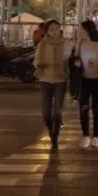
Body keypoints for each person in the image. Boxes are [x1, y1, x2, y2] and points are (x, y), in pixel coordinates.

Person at [73, 20, 98, 149]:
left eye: (81, 29)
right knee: (83, 108)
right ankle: (85, 135)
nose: (79, 31)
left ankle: (96, 136)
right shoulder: (79, 43)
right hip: (83, 80)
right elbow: (74, 58)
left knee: (96, 108)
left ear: (87, 29)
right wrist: (76, 62)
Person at [33, 19, 72, 150]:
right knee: (46, 113)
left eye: (56, 28)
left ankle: (55, 135)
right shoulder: (42, 45)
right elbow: (36, 60)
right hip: (45, 79)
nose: (54, 32)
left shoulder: (66, 44)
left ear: (60, 29)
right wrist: (39, 65)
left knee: (57, 111)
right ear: (48, 31)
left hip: (61, 80)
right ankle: (51, 130)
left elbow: (70, 60)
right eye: (51, 29)